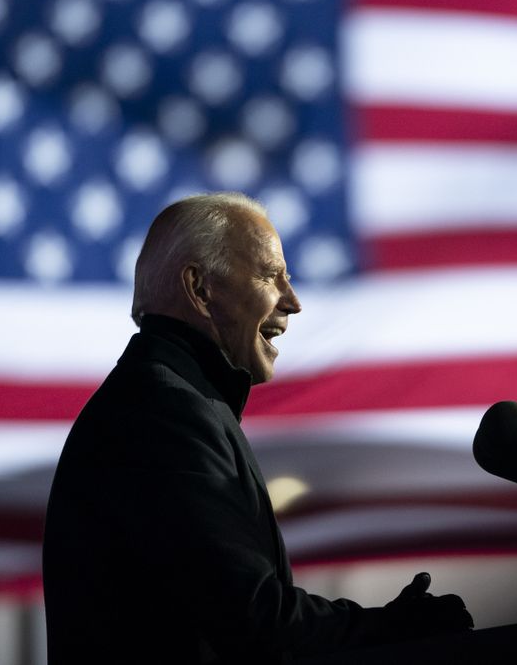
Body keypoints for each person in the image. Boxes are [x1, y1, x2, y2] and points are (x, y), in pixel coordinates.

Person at [42, 192, 473, 664]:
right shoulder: (161, 412)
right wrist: (391, 629)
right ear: (199, 289)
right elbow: (253, 618)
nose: (293, 301)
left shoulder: (169, 401)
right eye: (270, 276)